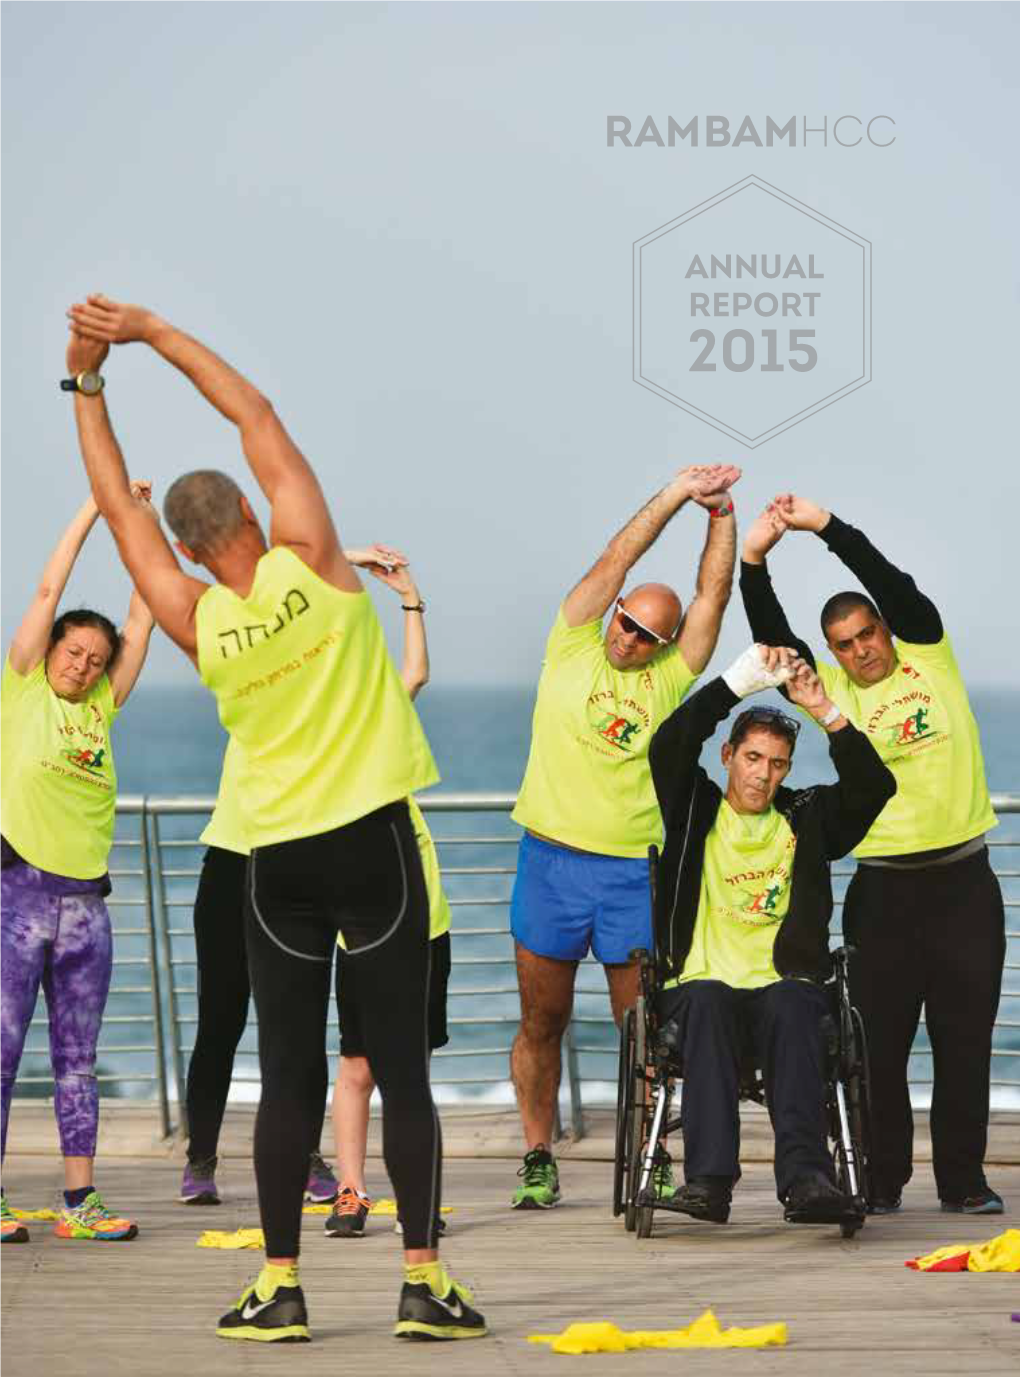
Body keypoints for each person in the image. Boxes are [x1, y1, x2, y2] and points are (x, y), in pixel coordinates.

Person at [65, 293, 486, 1343]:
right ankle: (424, 1283)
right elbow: (253, 411)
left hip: (275, 862)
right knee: (399, 1069)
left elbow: (120, 511)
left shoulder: (195, 616)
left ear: (196, 551)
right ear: (250, 518)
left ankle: (279, 1288)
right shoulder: (316, 563)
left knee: (289, 1073)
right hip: (375, 849)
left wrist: (85, 382)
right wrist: (153, 335)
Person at [740, 495, 1005, 1216]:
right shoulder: (832, 699)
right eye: (845, 643)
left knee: (963, 1043)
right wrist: (755, 559)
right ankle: (883, 1181)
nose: (861, 650)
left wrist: (824, 526)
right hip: (882, 894)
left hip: (964, 885)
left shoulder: (928, 654)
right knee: (878, 1049)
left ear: (885, 629)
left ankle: (964, 1181)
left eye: (867, 634)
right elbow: (772, 637)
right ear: (833, 652)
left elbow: (888, 578)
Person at [508, 463, 740, 1209]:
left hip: (628, 876)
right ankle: (538, 1155)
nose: (629, 637)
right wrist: (676, 493)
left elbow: (713, 596)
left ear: (664, 643)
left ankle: (652, 1152)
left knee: (643, 1030)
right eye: (626, 620)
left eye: (647, 633)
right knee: (542, 1019)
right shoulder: (572, 641)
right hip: (549, 863)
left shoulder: (671, 677)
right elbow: (617, 558)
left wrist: (722, 515)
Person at [178, 543, 418, 1211]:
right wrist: (337, 554)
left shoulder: (331, 714)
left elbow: (404, 683)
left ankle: (306, 1155)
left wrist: (400, 598)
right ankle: (200, 1157)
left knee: (296, 1029)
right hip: (231, 862)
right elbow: (254, 587)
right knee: (220, 1020)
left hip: (290, 862)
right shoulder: (256, 692)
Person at [647, 644, 896, 1223]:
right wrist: (736, 684)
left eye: (777, 763)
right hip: (702, 984)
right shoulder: (695, 809)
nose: (763, 774)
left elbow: (873, 787)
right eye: (753, 758)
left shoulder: (806, 817)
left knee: (794, 1002)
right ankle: (708, 1183)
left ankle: (807, 1180)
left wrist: (824, 708)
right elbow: (669, 744)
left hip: (783, 983)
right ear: (730, 756)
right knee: (707, 999)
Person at [1, 462, 155, 1246]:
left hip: (87, 906)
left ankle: (79, 1200)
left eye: (97, 657)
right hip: (16, 896)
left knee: (76, 1057)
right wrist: (97, 508)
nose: (84, 664)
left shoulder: (102, 701)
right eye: (75, 651)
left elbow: (147, 610)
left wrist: (141, 528)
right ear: (52, 646)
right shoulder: (23, 683)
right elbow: (45, 587)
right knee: (0, 1051)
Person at [325, 551, 453, 1241]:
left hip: (425, 917)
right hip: (360, 926)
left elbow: (416, 672)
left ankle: (419, 1194)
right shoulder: (317, 736)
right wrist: (339, 560)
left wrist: (409, 597)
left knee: (413, 1069)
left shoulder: (382, 721)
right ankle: (350, 1192)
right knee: (356, 1065)